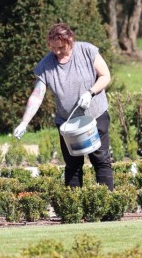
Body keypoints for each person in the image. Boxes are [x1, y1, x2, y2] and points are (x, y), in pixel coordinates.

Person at [13, 23, 114, 190]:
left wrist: (91, 92)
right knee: (73, 165)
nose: (57, 52)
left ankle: (108, 207)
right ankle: (73, 208)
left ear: (70, 41)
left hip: (95, 117)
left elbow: (105, 76)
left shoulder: (87, 51)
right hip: (68, 124)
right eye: (53, 48)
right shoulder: (46, 65)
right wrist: (24, 122)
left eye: (61, 48)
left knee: (101, 160)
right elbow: (37, 96)